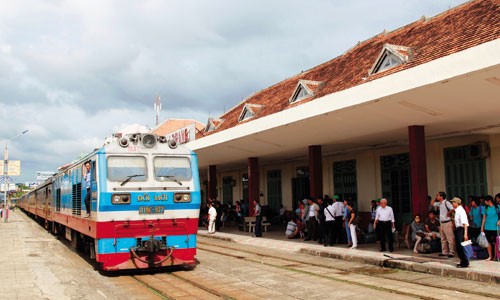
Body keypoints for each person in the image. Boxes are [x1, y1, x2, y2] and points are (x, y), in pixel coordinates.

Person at [432, 191, 455, 258]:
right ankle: (444, 252)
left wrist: (448, 213)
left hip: (447, 222)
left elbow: (452, 209)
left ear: (442, 197)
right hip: (442, 222)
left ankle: (451, 252)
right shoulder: (440, 203)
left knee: (449, 238)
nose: (437, 196)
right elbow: (432, 203)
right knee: (443, 238)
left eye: (438, 195)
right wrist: (435, 198)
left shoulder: (446, 202)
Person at [451, 197, 470, 268]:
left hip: (461, 229)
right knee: (458, 247)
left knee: (461, 246)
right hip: (457, 229)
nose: (452, 204)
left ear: (457, 203)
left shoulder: (461, 210)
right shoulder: (456, 210)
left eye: (453, 202)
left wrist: (465, 233)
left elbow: (465, 223)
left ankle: (465, 262)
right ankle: (462, 261)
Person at [481, 195, 500, 261]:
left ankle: (495, 256)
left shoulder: (497, 207)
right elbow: (484, 218)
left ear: (489, 201)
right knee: (488, 242)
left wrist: (499, 221)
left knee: (495, 242)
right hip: (487, 227)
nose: (485, 202)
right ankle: (490, 256)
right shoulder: (485, 208)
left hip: (495, 227)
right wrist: (482, 227)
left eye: (485, 201)